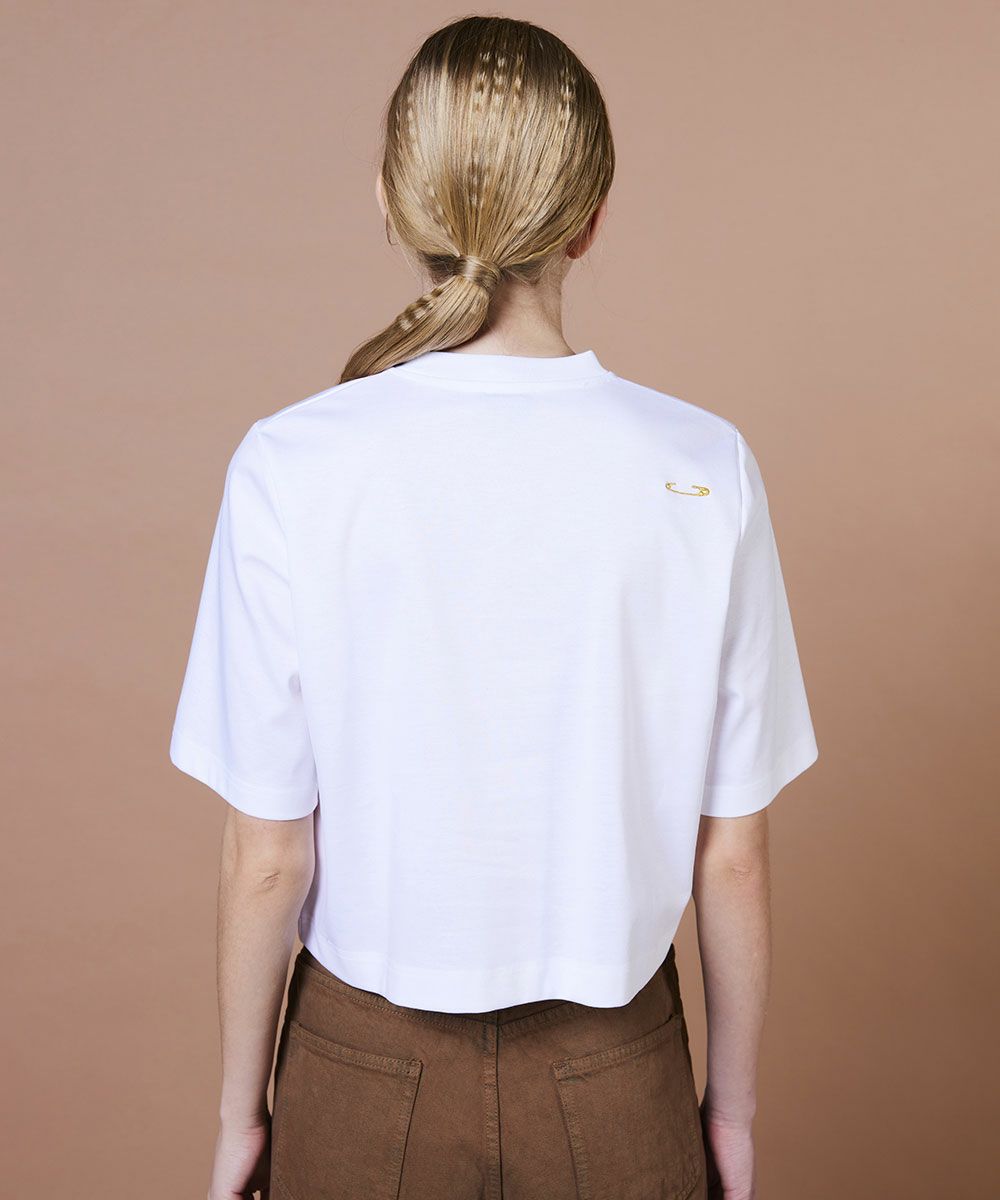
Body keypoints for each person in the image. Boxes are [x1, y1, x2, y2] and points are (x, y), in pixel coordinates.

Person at [169, 15, 819, 1200]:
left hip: (359, 1079)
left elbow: (269, 856)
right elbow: (731, 855)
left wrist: (238, 1117)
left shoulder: (290, 464)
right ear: (591, 216)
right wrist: (729, 1113)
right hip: (616, 1077)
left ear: (391, 202)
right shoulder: (701, 465)